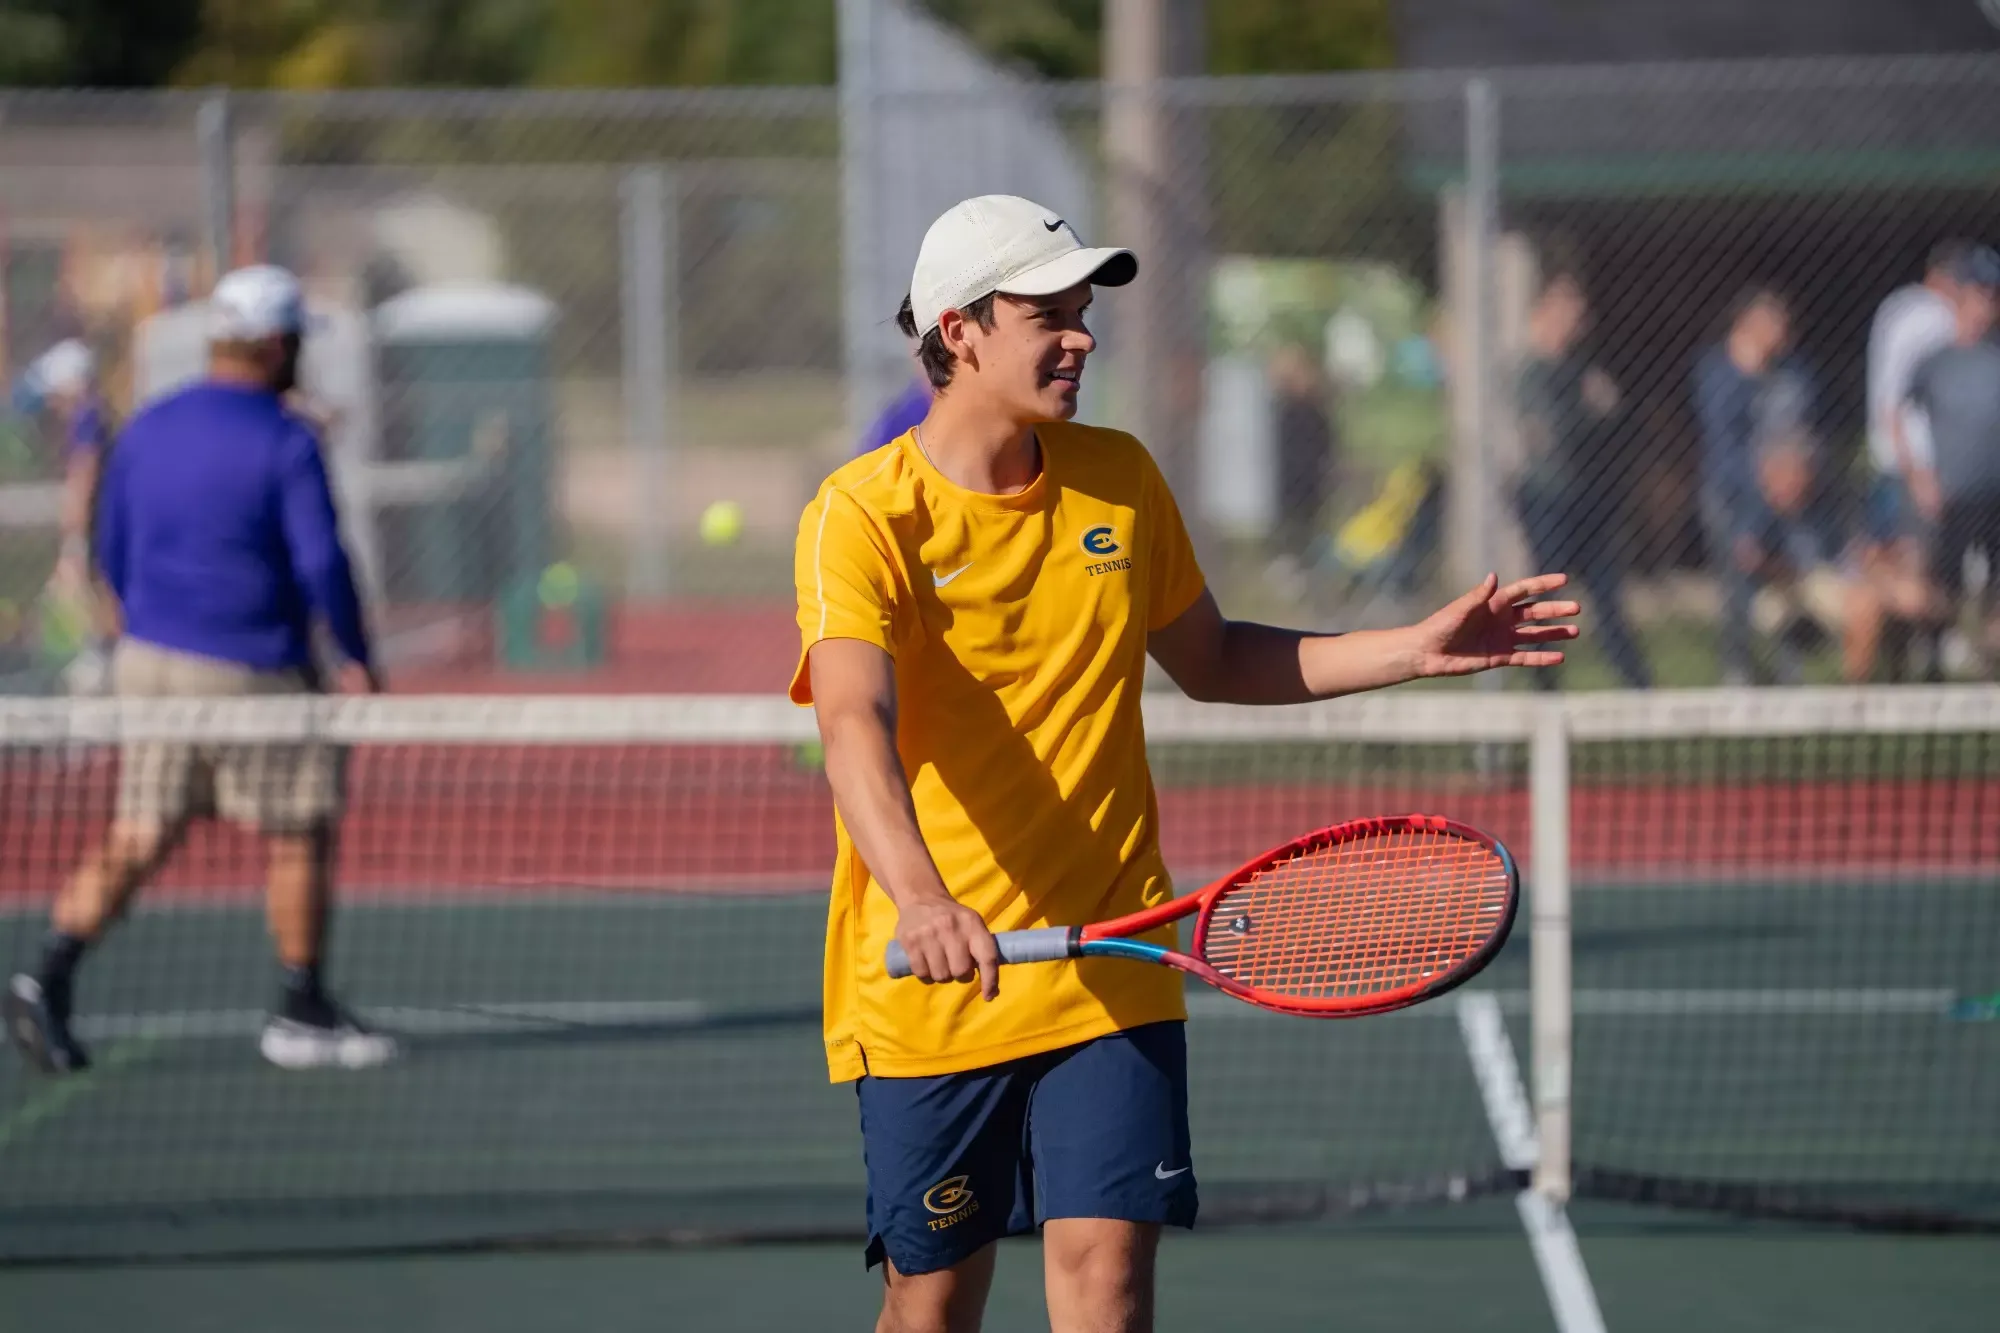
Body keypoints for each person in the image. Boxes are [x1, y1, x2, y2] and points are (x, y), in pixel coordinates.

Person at [790, 193, 1579, 1333]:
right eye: (1047, 314)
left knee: (1106, 1289)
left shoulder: (1117, 478)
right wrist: (921, 898)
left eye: (1084, 310)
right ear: (956, 329)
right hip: (932, 981)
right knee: (933, 1302)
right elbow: (853, 722)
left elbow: (1209, 656)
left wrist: (1408, 647)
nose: (1082, 336)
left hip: (1113, 958)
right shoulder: (860, 516)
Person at [5, 264, 395, 1076]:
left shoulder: (147, 425)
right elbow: (322, 560)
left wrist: (136, 621)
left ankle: (47, 975)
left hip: (148, 663)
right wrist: (358, 657)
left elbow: (110, 540)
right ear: (280, 344)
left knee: (139, 830)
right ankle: (301, 1008)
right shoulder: (288, 438)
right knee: (298, 829)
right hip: (254, 668)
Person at [1513, 273, 1651, 690]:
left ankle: (1639, 690)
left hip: (1588, 500)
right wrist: (1592, 412)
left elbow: (1617, 424)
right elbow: (1554, 434)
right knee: (1548, 599)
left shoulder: (1579, 369)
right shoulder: (1531, 373)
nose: (1574, 325)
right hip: (1547, 500)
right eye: (1565, 314)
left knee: (1607, 596)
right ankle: (1545, 689)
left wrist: (1598, 413)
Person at [1692, 287, 1811, 684]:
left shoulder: (1788, 374)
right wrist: (1750, 516)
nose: (1782, 332)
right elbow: (1725, 447)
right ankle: (1738, 671)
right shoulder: (1718, 373)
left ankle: (1788, 671)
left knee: (1786, 585)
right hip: (1732, 497)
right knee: (1738, 587)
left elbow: (1800, 433)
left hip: (1781, 497)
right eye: (1774, 323)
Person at [1905, 246, 2000, 678]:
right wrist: (1921, 478)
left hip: (1994, 495)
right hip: (1949, 495)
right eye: (1982, 293)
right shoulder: (1933, 362)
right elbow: (1903, 421)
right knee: (1942, 589)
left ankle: (1987, 667)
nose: (1989, 304)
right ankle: (1931, 666)